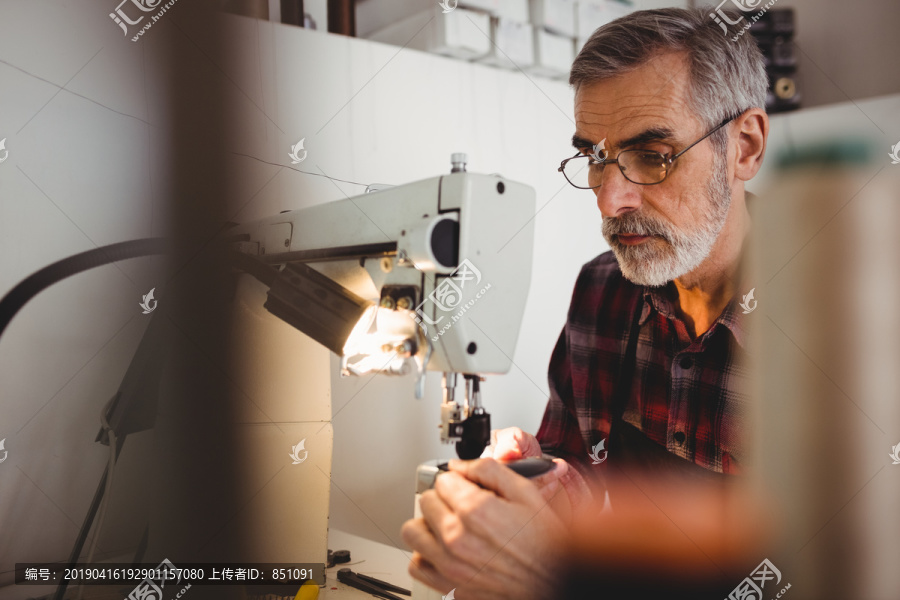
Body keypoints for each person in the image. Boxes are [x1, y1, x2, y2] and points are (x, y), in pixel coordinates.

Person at [401, 8, 770, 599]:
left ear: (744, 148)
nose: (610, 201)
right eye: (596, 158)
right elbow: (583, 465)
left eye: (653, 155)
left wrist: (561, 576)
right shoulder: (602, 292)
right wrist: (556, 484)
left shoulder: (845, 320)